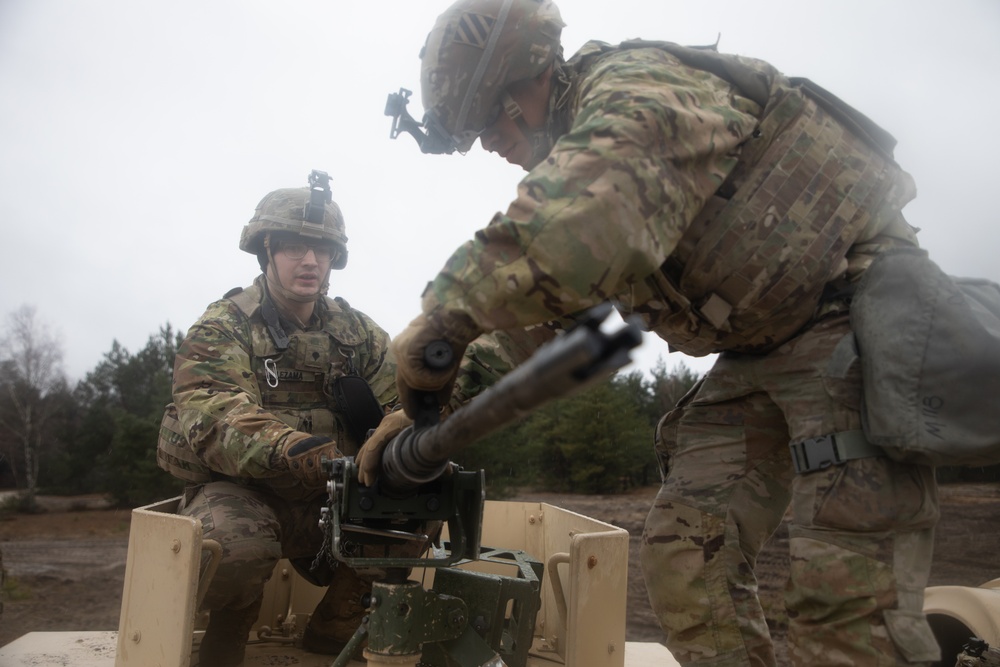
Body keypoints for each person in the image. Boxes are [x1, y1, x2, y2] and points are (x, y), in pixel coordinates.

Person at [358, 1, 942, 665]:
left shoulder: (636, 89)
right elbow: (543, 326)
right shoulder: (588, 157)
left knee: (846, 599)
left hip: (852, 313)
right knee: (688, 546)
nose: (489, 142)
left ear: (526, 79)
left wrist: (446, 314)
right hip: (760, 348)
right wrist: (415, 412)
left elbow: (590, 216)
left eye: (489, 116)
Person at [156, 171, 411, 666]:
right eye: (296, 247)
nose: (311, 260)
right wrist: (294, 449)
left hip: (333, 495)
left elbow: (400, 400)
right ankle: (228, 633)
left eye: (322, 249)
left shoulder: (357, 333)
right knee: (231, 547)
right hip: (244, 495)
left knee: (412, 507)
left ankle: (336, 629)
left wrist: (404, 438)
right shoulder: (225, 325)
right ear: (267, 249)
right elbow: (211, 410)